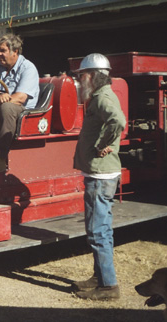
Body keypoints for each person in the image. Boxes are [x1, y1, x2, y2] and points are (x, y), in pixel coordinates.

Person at [71, 53, 126, 300]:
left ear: (92, 76)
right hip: (99, 173)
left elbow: (118, 121)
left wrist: (104, 142)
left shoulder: (103, 96)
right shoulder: (99, 96)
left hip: (101, 176)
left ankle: (108, 287)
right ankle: (99, 277)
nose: (80, 80)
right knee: (99, 228)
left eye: (82, 76)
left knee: (98, 230)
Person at [0, 33, 39, 174]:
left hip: (22, 111)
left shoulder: (28, 68)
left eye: (3, 51)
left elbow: (20, 98)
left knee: (7, 107)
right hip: (0, 106)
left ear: (15, 51)